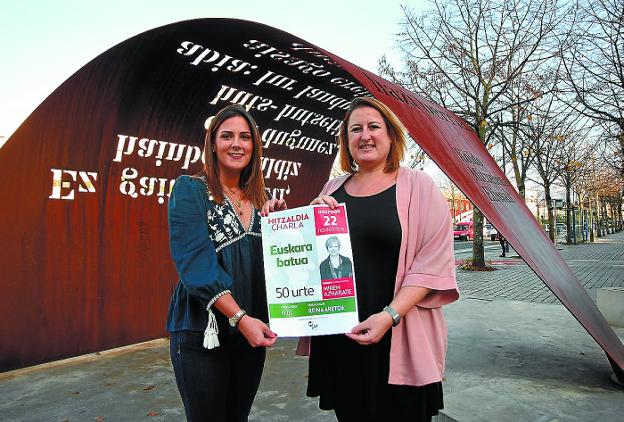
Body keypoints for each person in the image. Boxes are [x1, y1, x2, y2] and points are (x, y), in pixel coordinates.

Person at [299, 97, 459, 422]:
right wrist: (305, 224)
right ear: (347, 141)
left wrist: (388, 316)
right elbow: (310, 263)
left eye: (374, 127)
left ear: (390, 135)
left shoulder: (420, 187)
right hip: (341, 341)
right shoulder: (332, 188)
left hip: (398, 335)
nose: (365, 135)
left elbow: (433, 262)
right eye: (355, 129)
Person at [166, 104, 286, 422]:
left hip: (250, 333)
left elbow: (279, 266)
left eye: (245, 137)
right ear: (213, 143)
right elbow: (195, 263)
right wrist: (240, 317)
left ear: (255, 146)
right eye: (227, 135)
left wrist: (289, 224)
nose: (236, 143)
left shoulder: (263, 201)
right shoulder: (190, 189)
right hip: (203, 332)